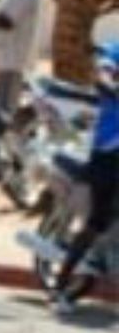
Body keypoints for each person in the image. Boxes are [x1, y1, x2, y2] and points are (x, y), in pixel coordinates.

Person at [49, 41, 119, 310]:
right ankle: (59, 288)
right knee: (98, 220)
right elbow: (103, 72)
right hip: (107, 153)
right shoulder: (114, 51)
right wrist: (110, 84)